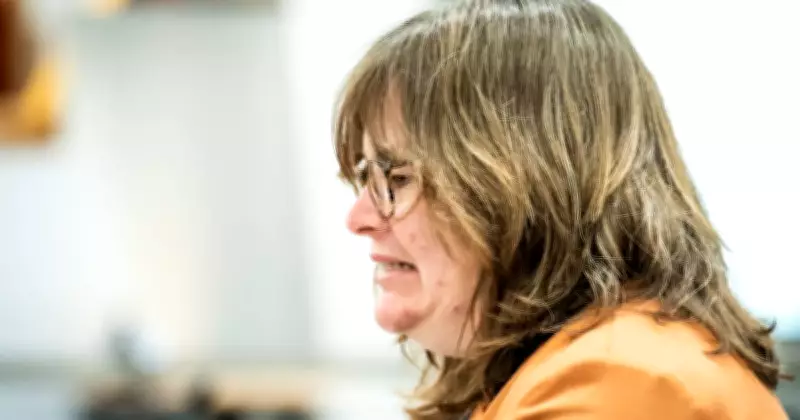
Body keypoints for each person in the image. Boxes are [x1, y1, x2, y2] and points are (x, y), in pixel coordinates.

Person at [334, 0, 790, 419]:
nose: (359, 220)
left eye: (398, 179)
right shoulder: (587, 363)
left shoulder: (615, 380)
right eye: (364, 176)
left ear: (527, 181)